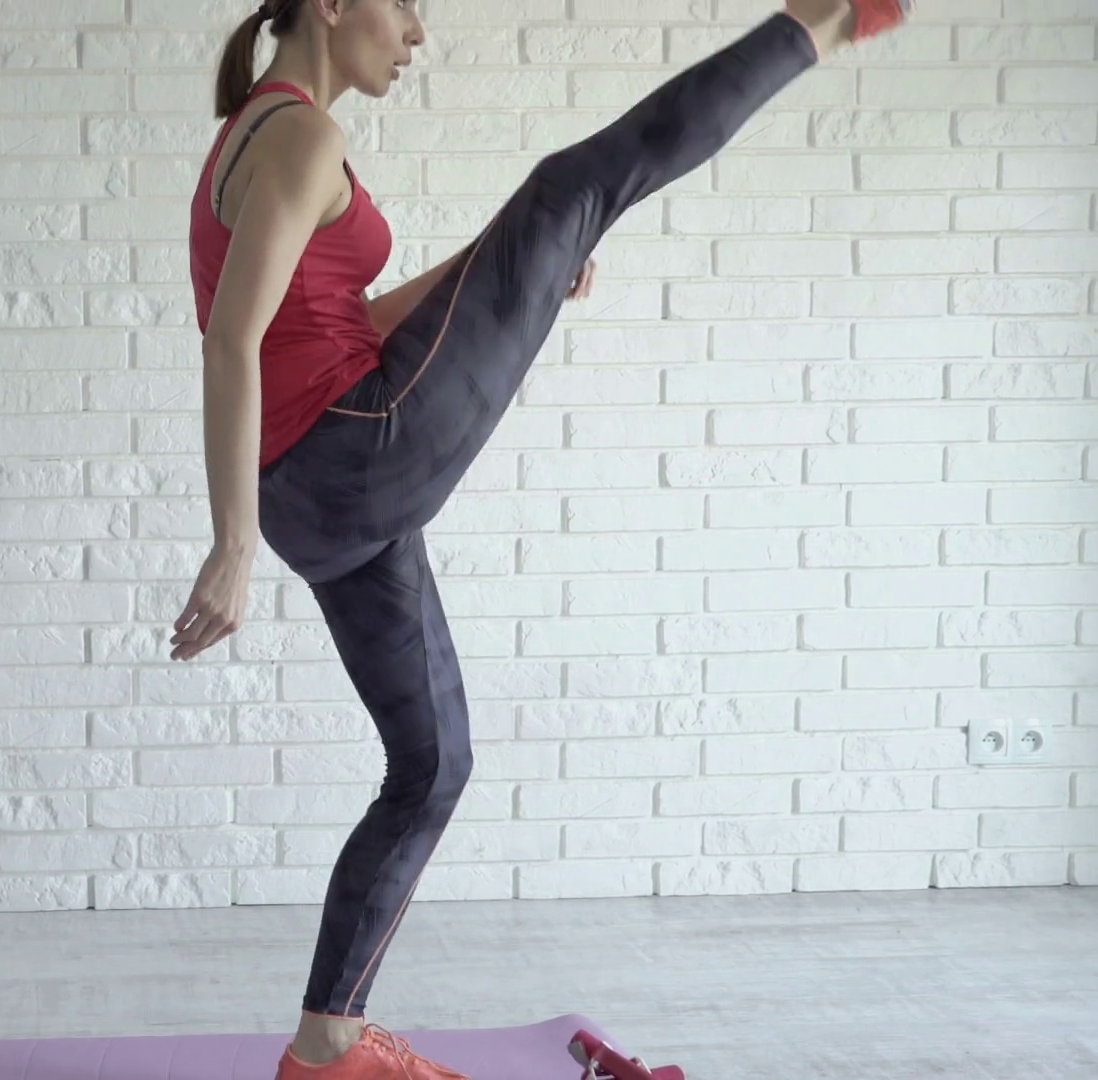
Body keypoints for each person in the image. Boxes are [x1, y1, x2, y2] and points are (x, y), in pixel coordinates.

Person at [179, 1, 912, 1077]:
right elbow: (229, 342)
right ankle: (822, 19)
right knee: (576, 183)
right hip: (354, 450)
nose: (416, 32)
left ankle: (326, 1043)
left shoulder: (254, 131)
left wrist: (511, 268)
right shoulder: (300, 132)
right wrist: (229, 546)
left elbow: (343, 325)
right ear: (332, 3)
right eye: (402, 3)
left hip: (322, 487)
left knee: (434, 762)